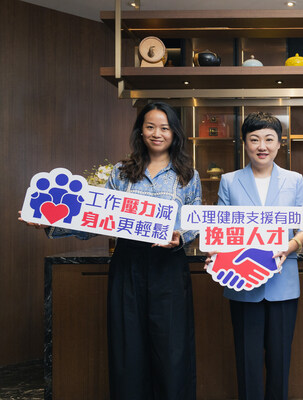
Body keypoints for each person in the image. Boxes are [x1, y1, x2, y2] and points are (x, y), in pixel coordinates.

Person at [20, 102, 201, 400]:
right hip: (127, 265)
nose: (158, 133)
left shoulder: (188, 176)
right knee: (128, 348)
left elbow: (194, 219)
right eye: (150, 126)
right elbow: (95, 218)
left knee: (173, 350)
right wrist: (49, 221)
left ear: (175, 133)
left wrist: (180, 236)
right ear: (140, 131)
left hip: (169, 269)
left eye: (165, 128)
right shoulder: (121, 173)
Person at [205, 111, 303, 400]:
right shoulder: (229, 181)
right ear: (245, 143)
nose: (262, 146)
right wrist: (215, 252)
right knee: (247, 360)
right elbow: (222, 229)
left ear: (279, 144)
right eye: (254, 139)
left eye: (268, 139)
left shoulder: (295, 180)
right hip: (242, 282)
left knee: (280, 361)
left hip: (283, 283)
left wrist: (292, 245)